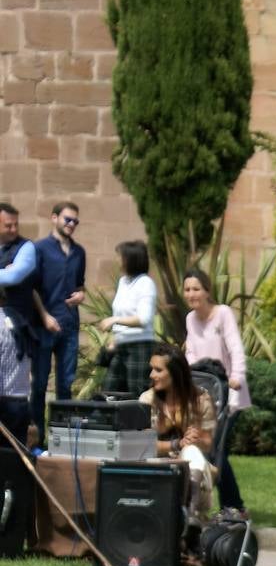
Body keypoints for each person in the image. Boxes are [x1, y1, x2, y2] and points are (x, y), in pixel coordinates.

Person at [182, 268, 250, 514]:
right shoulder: (190, 319)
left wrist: (236, 377)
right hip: (204, 396)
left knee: (216, 449)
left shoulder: (223, 314)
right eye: (188, 289)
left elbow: (236, 349)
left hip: (229, 395)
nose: (192, 294)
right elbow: (190, 352)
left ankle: (233, 506)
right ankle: (233, 506)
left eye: (197, 289)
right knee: (211, 450)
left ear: (207, 290)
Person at [141, 343, 216, 529]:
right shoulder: (146, 400)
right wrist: (176, 444)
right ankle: (189, 517)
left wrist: (197, 439)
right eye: (152, 369)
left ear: (175, 373)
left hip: (190, 468)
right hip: (156, 466)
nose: (151, 375)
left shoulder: (200, 399)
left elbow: (208, 443)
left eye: (158, 370)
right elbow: (142, 445)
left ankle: (190, 516)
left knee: (192, 451)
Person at [29, 202, 85, 448]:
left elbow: (80, 285)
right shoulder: (39, 249)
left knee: (66, 385)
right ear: (54, 218)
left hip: (70, 325)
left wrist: (81, 295)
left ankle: (61, 443)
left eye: (75, 221)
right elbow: (31, 287)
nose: (71, 224)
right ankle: (37, 441)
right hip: (44, 326)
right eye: (67, 219)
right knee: (39, 384)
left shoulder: (79, 252)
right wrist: (44, 317)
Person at [0, 202, 39, 441]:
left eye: (16, 224)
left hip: (17, 325)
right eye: (8, 225)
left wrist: (8, 273)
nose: (14, 229)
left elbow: (15, 275)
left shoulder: (26, 247)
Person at [99, 240, 158, 398]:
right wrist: (115, 338)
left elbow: (144, 318)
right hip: (120, 345)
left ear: (132, 259)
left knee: (137, 392)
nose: (118, 260)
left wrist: (114, 320)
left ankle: (141, 423)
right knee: (109, 391)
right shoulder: (123, 282)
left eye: (121, 257)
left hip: (139, 346)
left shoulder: (146, 283)